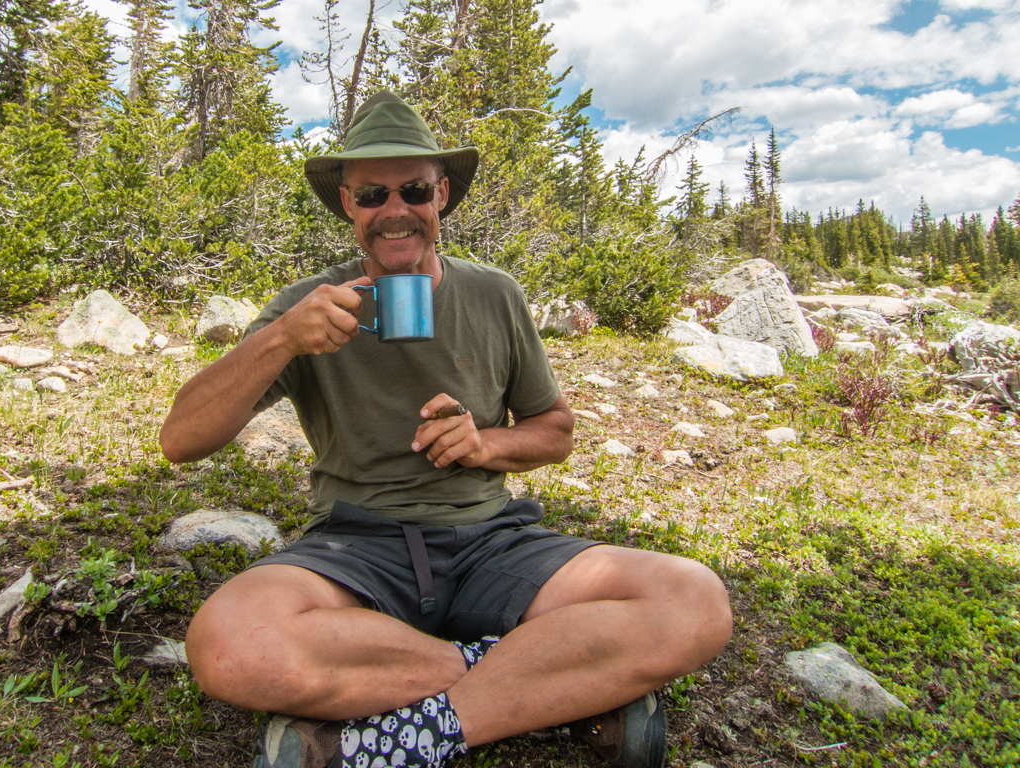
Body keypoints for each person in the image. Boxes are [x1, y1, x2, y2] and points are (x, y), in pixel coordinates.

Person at [159, 91, 732, 768]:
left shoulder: (495, 294)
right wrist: (281, 339)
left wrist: (486, 444)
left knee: (694, 600)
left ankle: (399, 736)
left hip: (493, 539)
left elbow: (554, 430)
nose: (394, 210)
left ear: (443, 196)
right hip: (357, 544)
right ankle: (540, 677)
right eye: (372, 194)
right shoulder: (309, 308)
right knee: (227, 642)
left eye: (414, 190)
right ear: (347, 204)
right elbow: (181, 440)